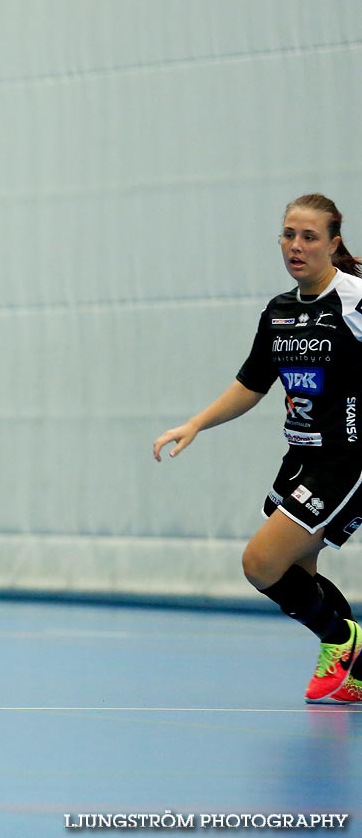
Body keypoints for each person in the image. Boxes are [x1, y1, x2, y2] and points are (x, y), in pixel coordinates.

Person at [154, 193, 362, 704]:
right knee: (297, 572)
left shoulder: (354, 299)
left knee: (261, 562)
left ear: (333, 243)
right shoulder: (280, 311)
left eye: (309, 237)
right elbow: (252, 383)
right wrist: (196, 423)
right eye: (288, 235)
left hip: (347, 459)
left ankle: (343, 640)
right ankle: (358, 671)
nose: (296, 246)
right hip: (301, 458)